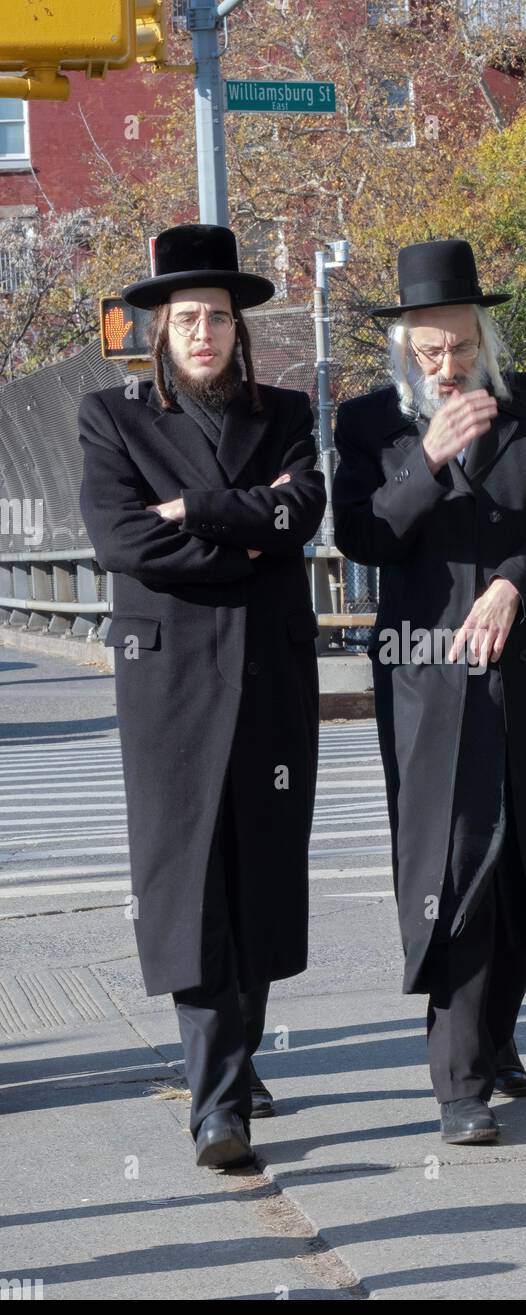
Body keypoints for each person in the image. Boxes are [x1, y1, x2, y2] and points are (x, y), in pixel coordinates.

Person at [332, 238, 526, 1144]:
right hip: (430, 678)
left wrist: (511, 586)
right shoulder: (370, 422)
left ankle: (496, 1040)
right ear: (404, 349)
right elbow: (362, 538)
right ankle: (458, 1083)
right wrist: (424, 459)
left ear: (484, 336)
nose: (449, 366)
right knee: (453, 866)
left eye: (461, 347)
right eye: (430, 352)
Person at [78, 224, 325, 1168]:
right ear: (159, 330)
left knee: (260, 871)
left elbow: (301, 515)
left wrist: (199, 511)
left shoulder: (288, 411)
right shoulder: (113, 416)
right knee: (187, 882)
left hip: (269, 671)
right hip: (170, 680)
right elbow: (123, 544)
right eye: (186, 318)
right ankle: (217, 1106)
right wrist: (246, 532)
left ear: (239, 327)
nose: (203, 332)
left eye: (217, 316)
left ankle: (238, 1055)